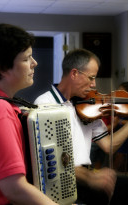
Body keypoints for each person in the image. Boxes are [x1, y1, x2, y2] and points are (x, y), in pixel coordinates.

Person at [34, 48, 128, 205]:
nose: (94, 84)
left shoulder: (89, 106)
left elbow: (107, 146)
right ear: (74, 73)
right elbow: (52, 161)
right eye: (91, 78)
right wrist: (91, 177)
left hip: (88, 176)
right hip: (64, 181)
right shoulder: (45, 104)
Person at [0, 23, 58, 205]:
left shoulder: (3, 104)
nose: (34, 63)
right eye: (27, 58)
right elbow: (14, 187)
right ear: (3, 68)